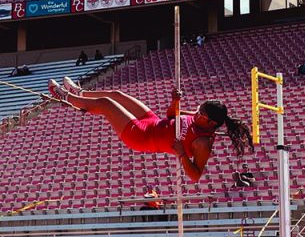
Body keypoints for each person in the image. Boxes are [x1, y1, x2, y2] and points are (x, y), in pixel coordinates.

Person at [48, 78, 252, 182]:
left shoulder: (203, 143)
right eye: (198, 110)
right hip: (152, 121)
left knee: (106, 104)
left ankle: (65, 97)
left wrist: (182, 155)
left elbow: (196, 176)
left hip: (142, 136)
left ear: (211, 123)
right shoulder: (199, 119)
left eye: (201, 114)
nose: (196, 114)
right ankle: (81, 93)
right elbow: (172, 115)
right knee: (117, 94)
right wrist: (175, 101)